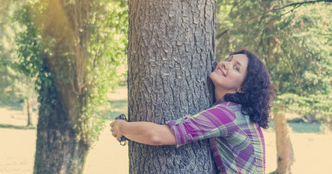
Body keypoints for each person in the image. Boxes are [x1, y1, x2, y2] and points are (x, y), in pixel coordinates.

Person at [110, 49, 274, 174]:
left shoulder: (228, 115)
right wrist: (124, 132)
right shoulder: (236, 113)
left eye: (236, 68)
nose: (225, 64)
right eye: (229, 60)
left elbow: (157, 136)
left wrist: (121, 126)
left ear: (242, 88)